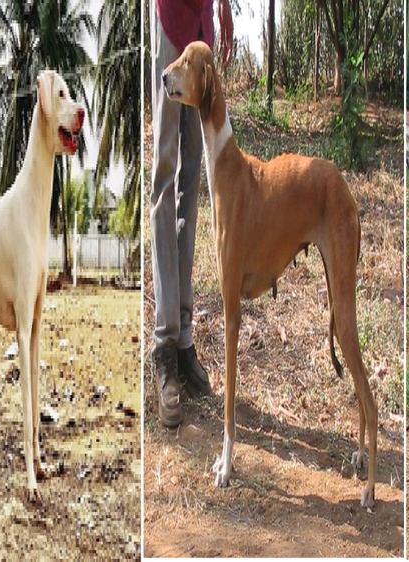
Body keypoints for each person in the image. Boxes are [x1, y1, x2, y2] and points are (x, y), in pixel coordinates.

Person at [150, 0, 233, 427]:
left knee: (191, 179)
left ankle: (184, 338)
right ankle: (165, 345)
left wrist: (224, 6)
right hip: (171, 20)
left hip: (201, 22)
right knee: (165, 173)